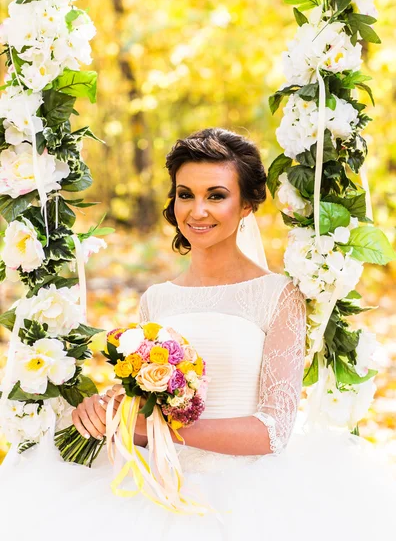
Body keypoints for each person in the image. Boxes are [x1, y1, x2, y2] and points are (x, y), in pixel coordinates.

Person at [0, 128, 395, 541]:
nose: (197, 210)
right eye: (185, 194)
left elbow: (273, 430)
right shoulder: (156, 300)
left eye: (216, 195)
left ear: (247, 204)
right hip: (156, 489)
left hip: (246, 496)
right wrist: (105, 415)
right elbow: (140, 409)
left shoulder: (279, 296)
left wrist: (161, 429)